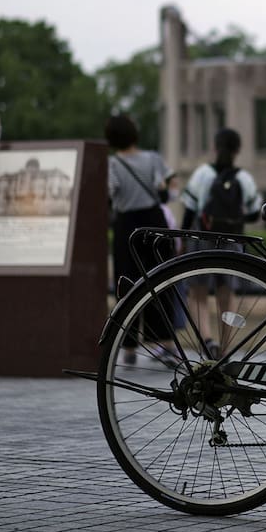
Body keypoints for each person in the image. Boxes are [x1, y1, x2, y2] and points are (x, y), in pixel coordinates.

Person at [179, 128, 262, 360]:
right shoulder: (243, 178)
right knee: (227, 294)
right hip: (232, 241)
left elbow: (189, 210)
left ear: (214, 148)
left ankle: (207, 341)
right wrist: (235, 221)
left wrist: (183, 240)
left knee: (197, 292)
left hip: (202, 239)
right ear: (237, 151)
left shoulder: (202, 174)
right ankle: (226, 348)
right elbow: (255, 213)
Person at [105, 114, 180, 367]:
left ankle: (128, 347)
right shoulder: (152, 158)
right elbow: (165, 189)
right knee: (161, 280)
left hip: (127, 225)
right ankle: (166, 343)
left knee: (127, 284)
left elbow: (110, 193)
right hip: (154, 223)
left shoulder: (113, 164)